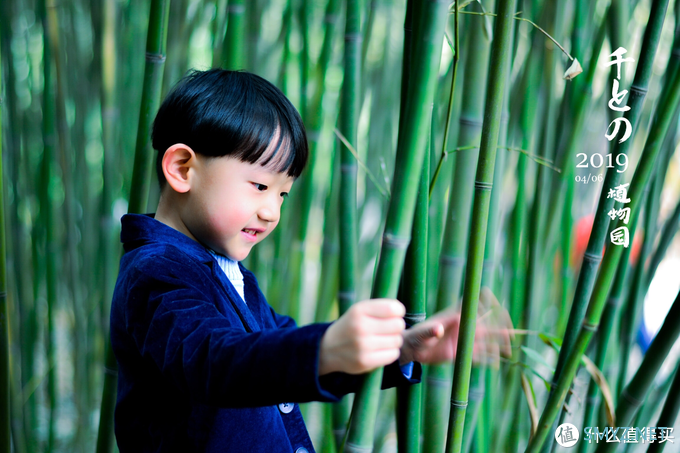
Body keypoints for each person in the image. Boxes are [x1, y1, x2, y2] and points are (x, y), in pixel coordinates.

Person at [110, 68, 508, 453]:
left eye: (282, 194)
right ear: (183, 169)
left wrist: (401, 347)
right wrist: (324, 348)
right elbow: (216, 359)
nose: (271, 212)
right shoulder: (156, 271)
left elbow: (276, 347)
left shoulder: (226, 272)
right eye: (260, 186)